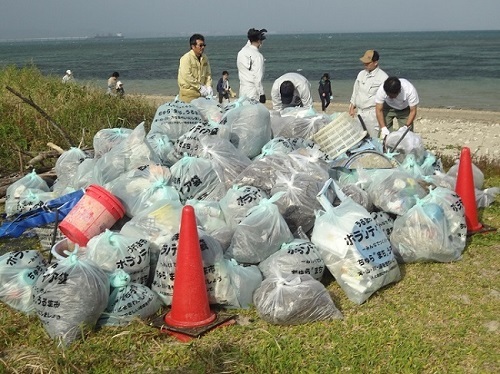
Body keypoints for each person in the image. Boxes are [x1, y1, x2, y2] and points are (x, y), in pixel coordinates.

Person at [349, 50, 389, 138]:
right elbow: (356, 91)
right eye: (364, 63)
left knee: (372, 138)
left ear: (375, 63)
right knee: (357, 137)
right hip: (359, 112)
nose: (365, 65)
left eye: (368, 63)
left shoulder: (383, 77)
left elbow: (385, 98)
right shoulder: (361, 74)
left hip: (372, 114)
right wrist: (352, 107)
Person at [178, 33, 213, 103]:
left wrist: (209, 86)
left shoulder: (205, 58)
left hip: (201, 95)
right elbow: (187, 75)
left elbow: (208, 74)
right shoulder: (186, 58)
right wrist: (199, 87)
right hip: (188, 94)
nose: (202, 47)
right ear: (193, 46)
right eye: (200, 45)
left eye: (204, 45)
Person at [237, 28, 267, 103]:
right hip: (253, 91)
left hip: (243, 90)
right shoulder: (258, 56)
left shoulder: (241, 52)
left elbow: (248, 44)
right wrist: (262, 93)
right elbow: (257, 77)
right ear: (259, 41)